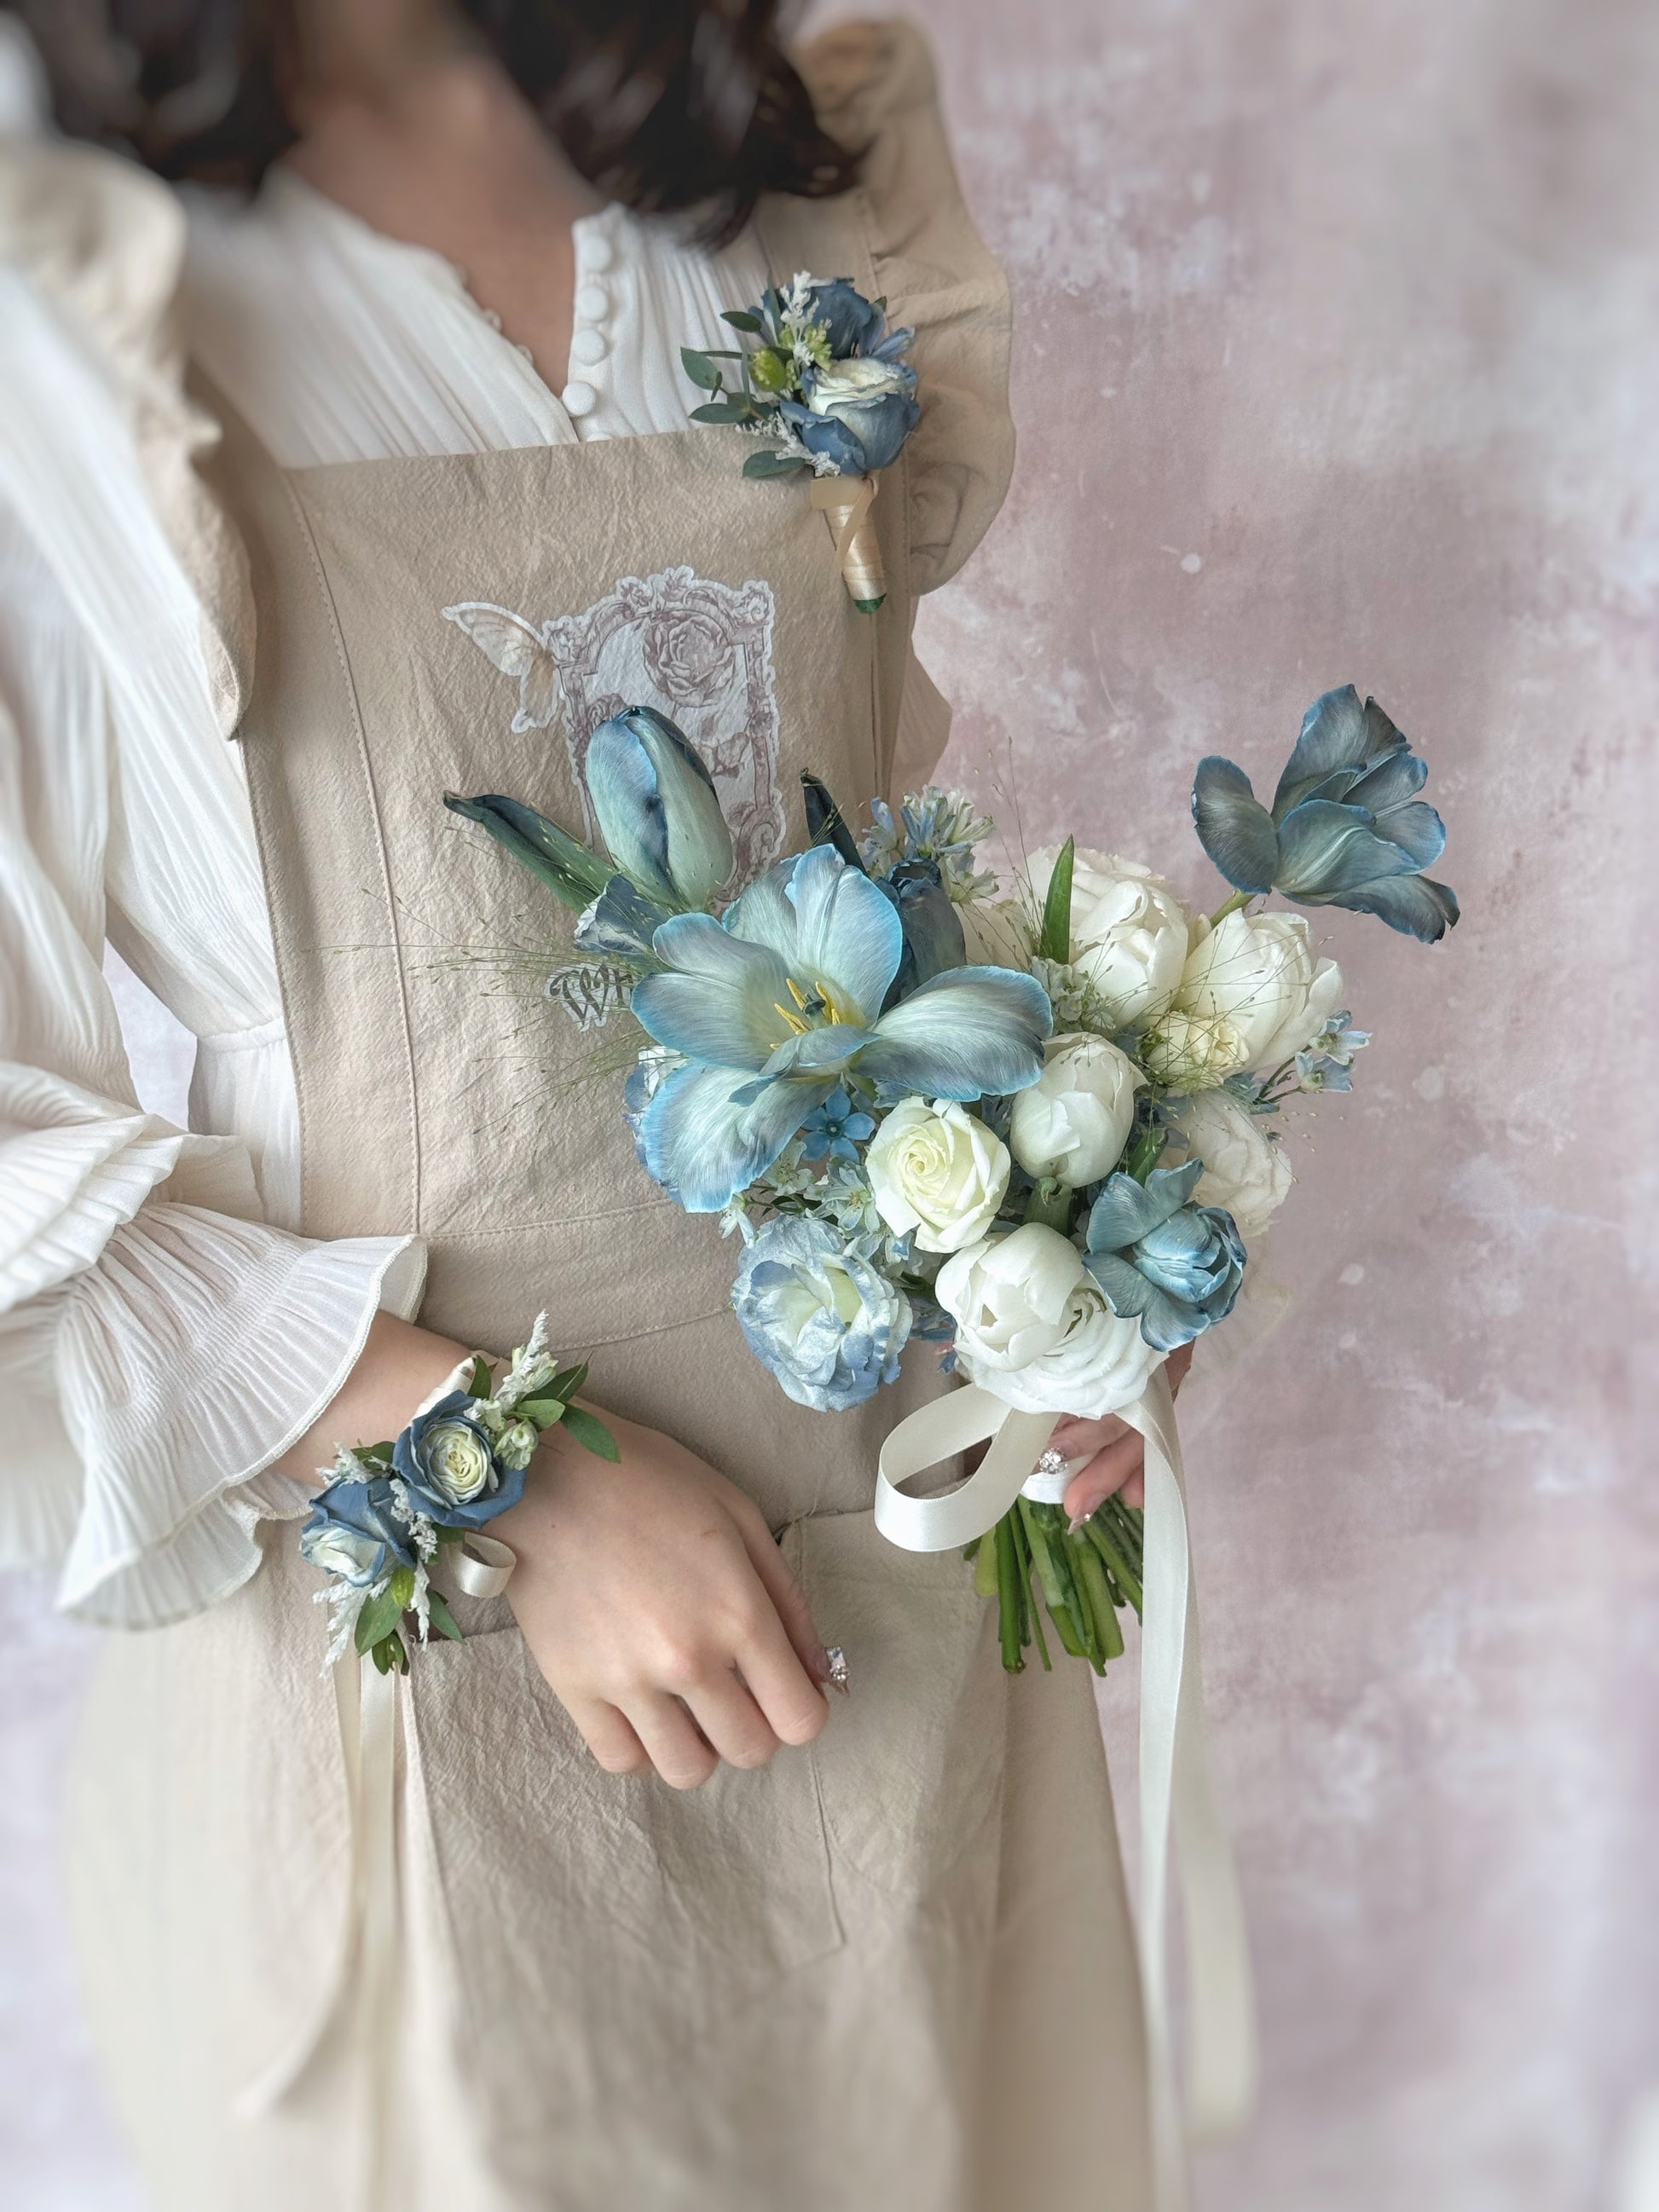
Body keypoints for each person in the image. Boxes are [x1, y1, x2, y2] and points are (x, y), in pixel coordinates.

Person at [0, 4, 1156, 2204]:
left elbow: (854, 840)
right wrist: (510, 1473)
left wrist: (1058, 1249)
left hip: (909, 1581)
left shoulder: (786, 131)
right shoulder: (45, 254)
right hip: (427, 1620)